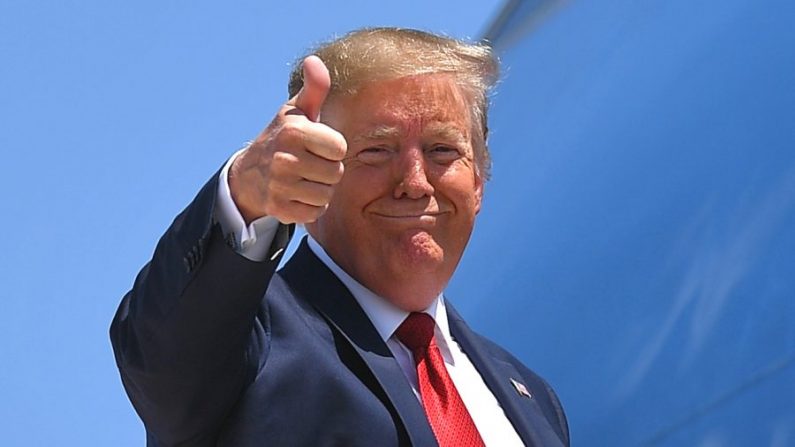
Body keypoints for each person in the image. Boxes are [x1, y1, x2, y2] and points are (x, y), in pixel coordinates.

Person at [111, 28, 569, 447]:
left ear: (479, 182)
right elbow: (163, 363)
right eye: (376, 150)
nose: (415, 181)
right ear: (310, 175)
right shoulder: (251, 336)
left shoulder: (532, 398)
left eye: (442, 150)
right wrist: (245, 192)